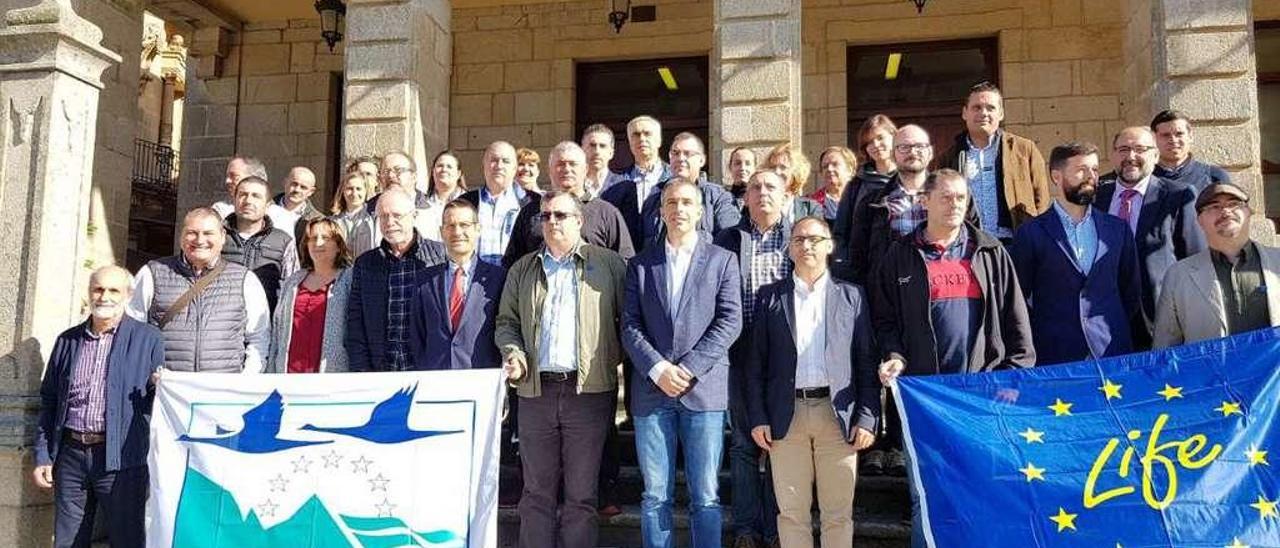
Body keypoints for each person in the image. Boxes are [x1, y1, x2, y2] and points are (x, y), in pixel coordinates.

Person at [872, 169, 1034, 544]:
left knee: (986, 494)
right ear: (924, 201)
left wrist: (1012, 376)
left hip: (983, 398)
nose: (955, 204)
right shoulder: (899, 256)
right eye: (946, 197)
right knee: (926, 498)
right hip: (923, 400)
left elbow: (1016, 319)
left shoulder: (990, 251)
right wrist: (894, 354)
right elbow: (883, 321)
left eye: (961, 197)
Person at [495, 191, 627, 548]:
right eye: (546, 215)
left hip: (589, 393)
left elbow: (628, 322)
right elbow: (506, 322)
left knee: (582, 495)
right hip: (536, 391)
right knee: (536, 492)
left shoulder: (610, 265)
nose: (552, 222)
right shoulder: (523, 268)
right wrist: (513, 352)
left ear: (579, 221)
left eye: (561, 215)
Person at [623, 179, 743, 548]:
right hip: (651, 392)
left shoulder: (723, 260)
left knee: (705, 496)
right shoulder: (641, 264)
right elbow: (629, 324)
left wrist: (687, 368)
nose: (679, 209)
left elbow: (730, 320)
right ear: (661, 211)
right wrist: (658, 369)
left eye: (687, 202)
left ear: (700, 211)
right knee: (654, 496)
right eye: (671, 202)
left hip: (702, 391)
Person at [745, 217, 878, 548]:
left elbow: (865, 363)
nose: (807, 246)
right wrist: (759, 416)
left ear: (830, 245)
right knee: (791, 514)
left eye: (815, 239)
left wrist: (868, 416)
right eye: (799, 240)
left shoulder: (852, 297)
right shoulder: (769, 298)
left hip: (839, 417)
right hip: (785, 416)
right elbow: (755, 365)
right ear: (789, 249)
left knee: (838, 514)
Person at [33, 266, 164, 548]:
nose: (104, 296)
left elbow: (159, 403)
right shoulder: (67, 340)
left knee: (126, 539)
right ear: (89, 293)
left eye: (113, 290)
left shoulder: (148, 339)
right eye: (98, 289)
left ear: (128, 295)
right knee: (68, 540)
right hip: (70, 455)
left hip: (122, 459)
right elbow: (50, 400)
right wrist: (44, 455)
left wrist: (159, 385)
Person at [1011, 142, 1148, 365]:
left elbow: (1130, 291)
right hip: (1055, 354)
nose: (1091, 176)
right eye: (1081, 170)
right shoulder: (1031, 232)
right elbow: (1020, 299)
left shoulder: (1117, 229)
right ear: (1056, 176)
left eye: (1094, 169)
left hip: (1112, 351)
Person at [712, 170, 793, 548]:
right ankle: (746, 529)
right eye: (755, 188)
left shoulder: (799, 238)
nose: (762, 193)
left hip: (786, 358)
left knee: (781, 443)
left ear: (786, 196)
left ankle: (778, 528)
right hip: (740, 353)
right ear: (744, 198)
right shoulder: (726, 240)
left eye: (771, 188)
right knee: (744, 445)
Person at [127, 207, 270, 373]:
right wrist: (146, 373)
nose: (200, 240)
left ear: (223, 237)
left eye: (208, 233)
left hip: (223, 390)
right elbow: (133, 330)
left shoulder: (245, 279)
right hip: (167, 389)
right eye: (192, 232)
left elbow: (258, 338)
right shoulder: (152, 273)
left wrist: (246, 381)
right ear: (181, 237)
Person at [1096, 126, 1206, 332]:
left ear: (1155, 156)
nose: (1131, 156)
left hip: (1160, 317)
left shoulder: (1178, 196)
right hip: (1103, 317)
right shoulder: (1095, 197)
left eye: (1140, 149)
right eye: (1123, 149)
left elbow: (1195, 259)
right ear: (1112, 156)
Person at [1154, 182, 1280, 347]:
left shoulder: (1277, 262)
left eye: (1234, 204)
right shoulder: (1178, 276)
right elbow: (1165, 348)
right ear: (1200, 220)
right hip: (1209, 373)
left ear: (1249, 212)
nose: (1226, 211)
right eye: (1214, 207)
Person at [345, 189, 447, 372]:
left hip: (428, 369)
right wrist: (362, 371)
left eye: (397, 215)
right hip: (381, 370)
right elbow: (356, 323)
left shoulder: (440, 256)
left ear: (414, 215)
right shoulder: (366, 264)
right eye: (383, 217)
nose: (390, 223)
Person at [938, 81, 1052, 241]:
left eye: (990, 108)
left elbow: (1041, 198)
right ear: (964, 113)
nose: (983, 113)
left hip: (1016, 243)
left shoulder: (1024, 150)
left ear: (1001, 114)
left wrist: (1036, 238)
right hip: (969, 246)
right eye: (976, 107)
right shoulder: (949, 157)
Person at [502, 141, 635, 267]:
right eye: (560, 164)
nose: (566, 169)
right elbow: (513, 264)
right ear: (550, 170)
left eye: (573, 164)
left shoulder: (606, 213)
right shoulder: (530, 212)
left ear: (585, 169)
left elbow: (624, 263)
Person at [409, 199, 505, 371]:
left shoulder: (499, 279)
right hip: (436, 380)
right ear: (442, 232)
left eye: (464, 225)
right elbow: (417, 336)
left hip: (482, 380)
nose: (457, 231)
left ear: (478, 229)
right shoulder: (424, 281)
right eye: (450, 226)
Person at [606, 131, 740, 252]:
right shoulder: (654, 199)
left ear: (701, 160)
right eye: (675, 153)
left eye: (687, 154)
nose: (681, 158)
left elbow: (730, 240)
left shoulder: (718, 197)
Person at [266, 218, 353, 374]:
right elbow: (277, 331)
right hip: (289, 377)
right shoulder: (293, 282)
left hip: (331, 379)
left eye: (325, 238)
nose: (318, 243)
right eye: (312, 238)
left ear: (339, 246)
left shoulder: (350, 280)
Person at [833, 114, 897, 283]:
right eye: (869, 142)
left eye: (880, 138)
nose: (875, 145)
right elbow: (841, 230)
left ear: (894, 137)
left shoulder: (910, 179)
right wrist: (844, 265)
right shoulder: (857, 185)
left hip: (903, 267)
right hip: (866, 270)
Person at [221, 176, 299, 312]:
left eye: (256, 196)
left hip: (264, 323)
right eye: (243, 195)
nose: (248, 201)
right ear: (234, 199)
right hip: (220, 322)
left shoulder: (284, 241)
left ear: (267, 205)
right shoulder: (216, 236)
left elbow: (292, 289)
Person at [351, 152, 436, 256]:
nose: (391, 176)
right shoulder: (365, 212)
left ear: (414, 176)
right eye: (386, 171)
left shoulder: (433, 211)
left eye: (398, 170)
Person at [461, 141, 532, 265]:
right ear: (484, 165)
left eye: (506, 161)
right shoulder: (466, 202)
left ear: (515, 168)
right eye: (494, 160)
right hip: (475, 278)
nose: (499, 166)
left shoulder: (531, 203)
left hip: (515, 278)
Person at [1151, 109, 1231, 193]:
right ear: (1153, 139)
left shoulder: (1214, 177)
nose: (1173, 140)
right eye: (1165, 135)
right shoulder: (1143, 178)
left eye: (1179, 134)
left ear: (1190, 137)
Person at [763, 143, 823, 222]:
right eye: (772, 167)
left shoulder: (810, 208)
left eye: (783, 167)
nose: (776, 172)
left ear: (796, 172)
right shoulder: (759, 204)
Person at [419, 150, 468, 242]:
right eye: (440, 166)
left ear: (458, 174)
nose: (444, 169)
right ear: (433, 172)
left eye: (449, 167)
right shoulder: (421, 204)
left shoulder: (470, 202)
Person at [811, 146, 857, 223]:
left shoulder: (862, 200)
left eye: (835, 164)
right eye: (825, 166)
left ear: (850, 170)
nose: (829, 169)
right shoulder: (810, 204)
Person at [581, 123, 627, 198]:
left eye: (602, 146)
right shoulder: (573, 184)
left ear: (611, 153)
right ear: (582, 150)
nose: (597, 151)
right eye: (592, 145)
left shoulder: (624, 186)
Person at [330, 169, 374, 239]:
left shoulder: (373, 219)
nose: (354, 193)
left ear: (366, 191)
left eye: (358, 189)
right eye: (350, 189)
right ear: (342, 191)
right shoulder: (332, 222)